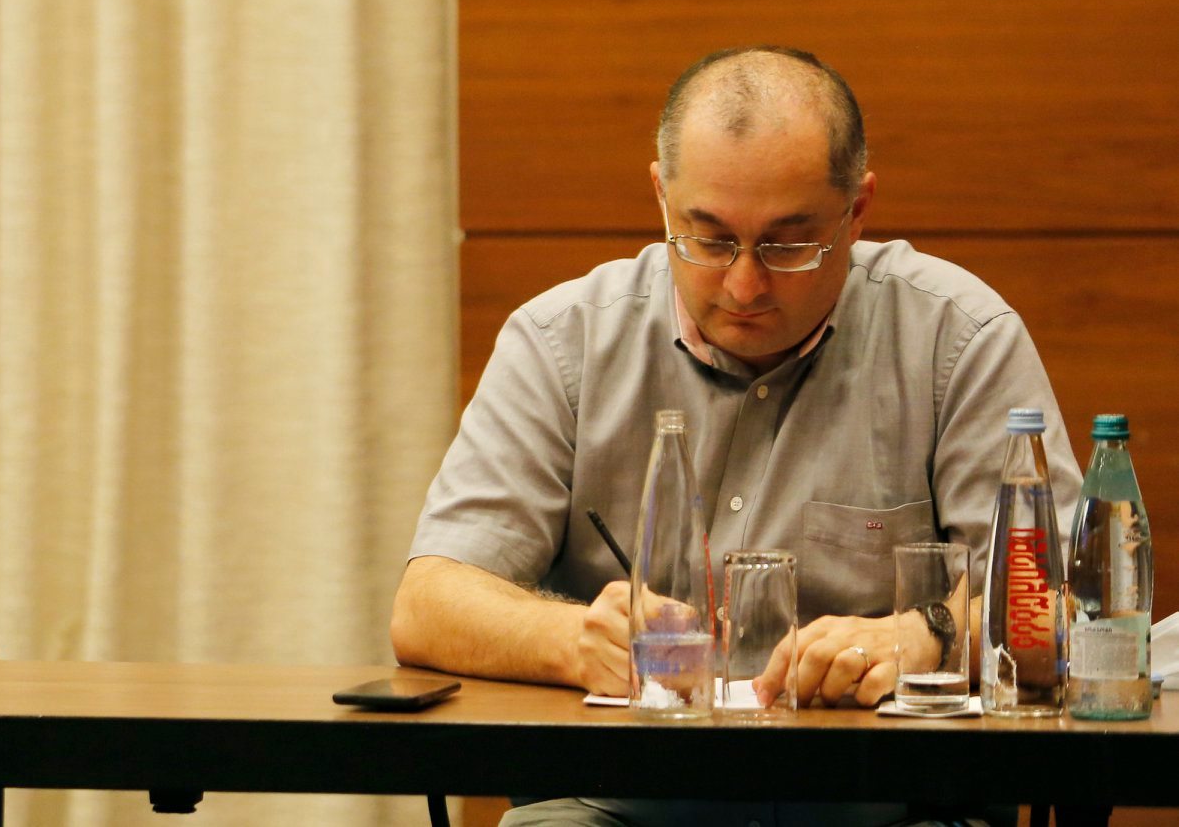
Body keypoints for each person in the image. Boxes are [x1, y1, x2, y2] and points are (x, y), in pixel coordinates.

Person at [391, 46, 1081, 827]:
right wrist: (572, 637)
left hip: (891, 808)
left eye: (788, 244)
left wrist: (927, 635)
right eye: (710, 239)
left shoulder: (958, 341)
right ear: (662, 196)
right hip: (614, 805)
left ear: (858, 209)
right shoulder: (563, 343)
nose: (745, 285)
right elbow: (429, 604)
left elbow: (1069, 609)